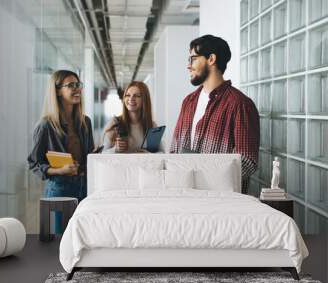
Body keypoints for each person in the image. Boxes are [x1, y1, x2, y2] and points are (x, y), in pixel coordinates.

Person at [170, 34, 260, 193]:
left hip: (221, 203)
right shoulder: (188, 102)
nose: (188, 65)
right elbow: (175, 150)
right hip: (185, 195)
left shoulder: (239, 104)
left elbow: (246, 162)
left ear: (211, 59)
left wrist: (203, 179)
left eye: (193, 59)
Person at [27, 70, 94, 234]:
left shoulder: (85, 122)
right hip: (60, 189)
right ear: (57, 91)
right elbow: (34, 163)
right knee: (60, 240)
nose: (77, 89)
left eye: (78, 85)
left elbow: (89, 155)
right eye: (71, 85)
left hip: (84, 187)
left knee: (83, 236)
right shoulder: (45, 125)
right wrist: (60, 170)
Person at [103, 81, 163, 153]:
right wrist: (115, 149)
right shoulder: (115, 123)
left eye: (136, 96)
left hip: (143, 164)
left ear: (144, 99)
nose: (131, 99)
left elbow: (161, 153)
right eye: (128, 95)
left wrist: (147, 154)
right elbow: (102, 154)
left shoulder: (151, 125)